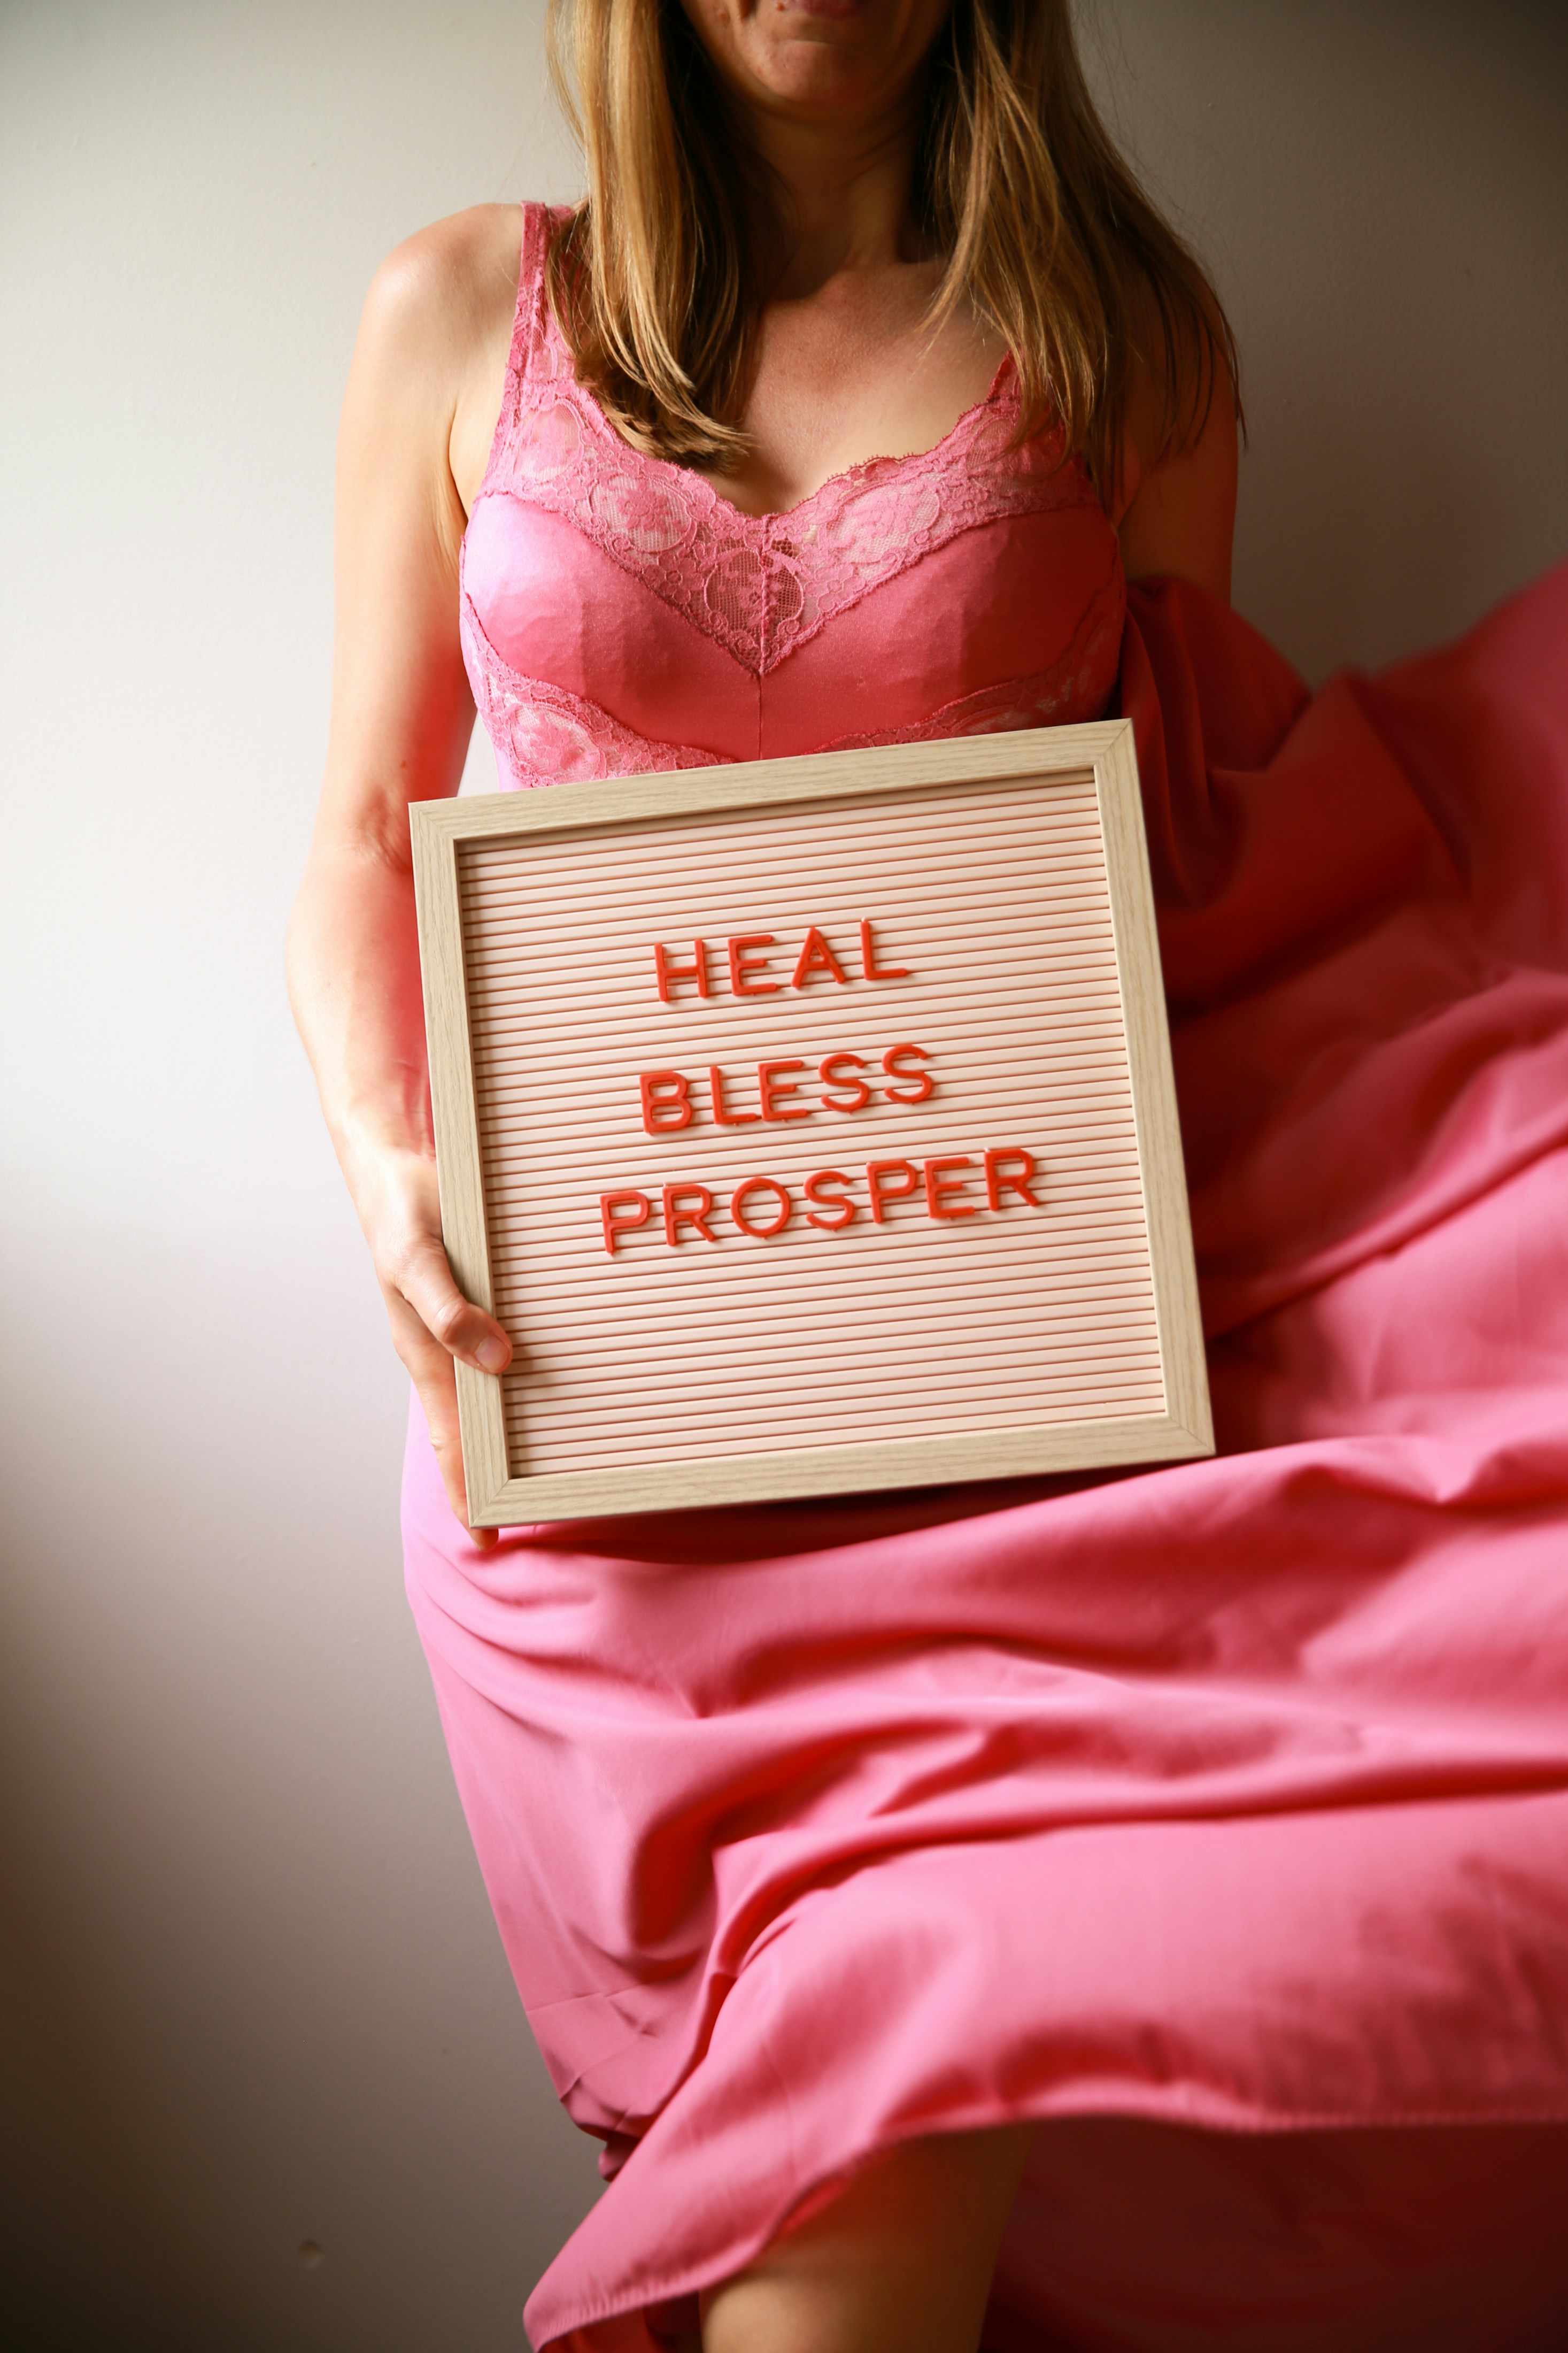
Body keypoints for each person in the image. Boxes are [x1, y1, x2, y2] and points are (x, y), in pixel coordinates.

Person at [288, 2, 1568, 2347]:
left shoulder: (1128, 335)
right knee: (843, 2128)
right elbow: (366, 828)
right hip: (605, 1433)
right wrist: (391, 1171)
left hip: (1015, 1441)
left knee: (901, 2063)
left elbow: (1193, 871)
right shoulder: (460, 306)